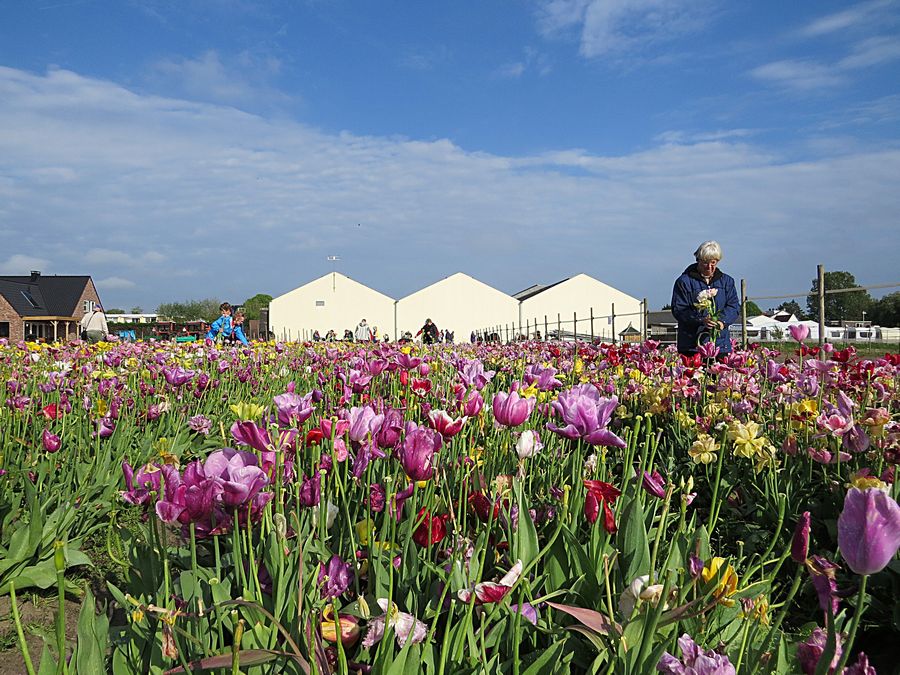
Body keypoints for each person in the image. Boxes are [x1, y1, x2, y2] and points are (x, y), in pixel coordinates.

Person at [671, 240, 740, 356]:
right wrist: (701, 320)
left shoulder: (727, 282)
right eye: (705, 263)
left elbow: (734, 306)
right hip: (692, 345)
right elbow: (679, 310)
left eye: (713, 263)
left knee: (718, 374)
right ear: (698, 260)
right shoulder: (684, 282)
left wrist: (721, 321)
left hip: (720, 345)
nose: (709, 267)